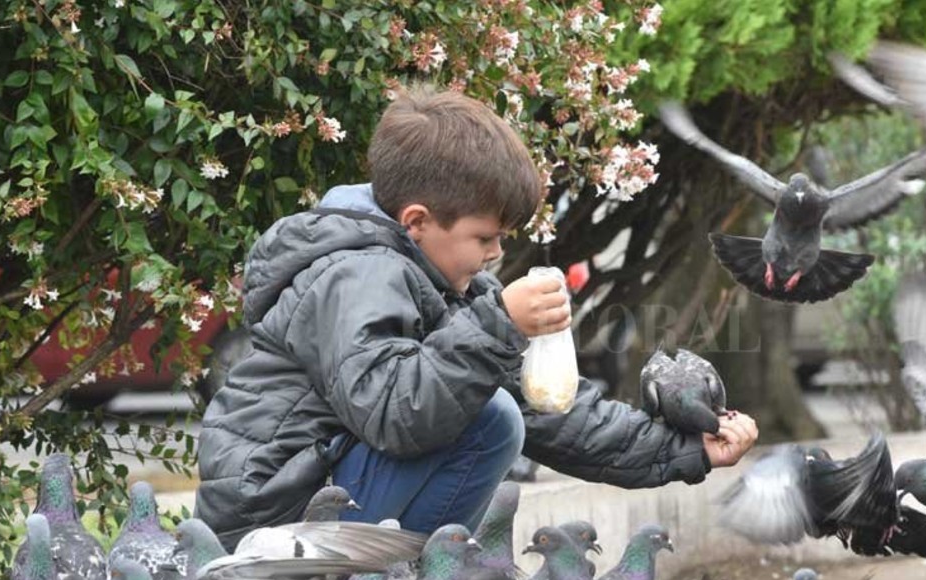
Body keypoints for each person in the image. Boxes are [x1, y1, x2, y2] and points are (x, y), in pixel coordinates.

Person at [194, 87, 759, 548]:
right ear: (417, 221)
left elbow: (549, 411)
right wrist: (499, 325)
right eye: (484, 237)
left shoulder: (440, 283)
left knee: (498, 406)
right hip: (270, 518)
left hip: (322, 492)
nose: (494, 254)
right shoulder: (355, 275)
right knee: (490, 419)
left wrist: (682, 452)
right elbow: (396, 411)